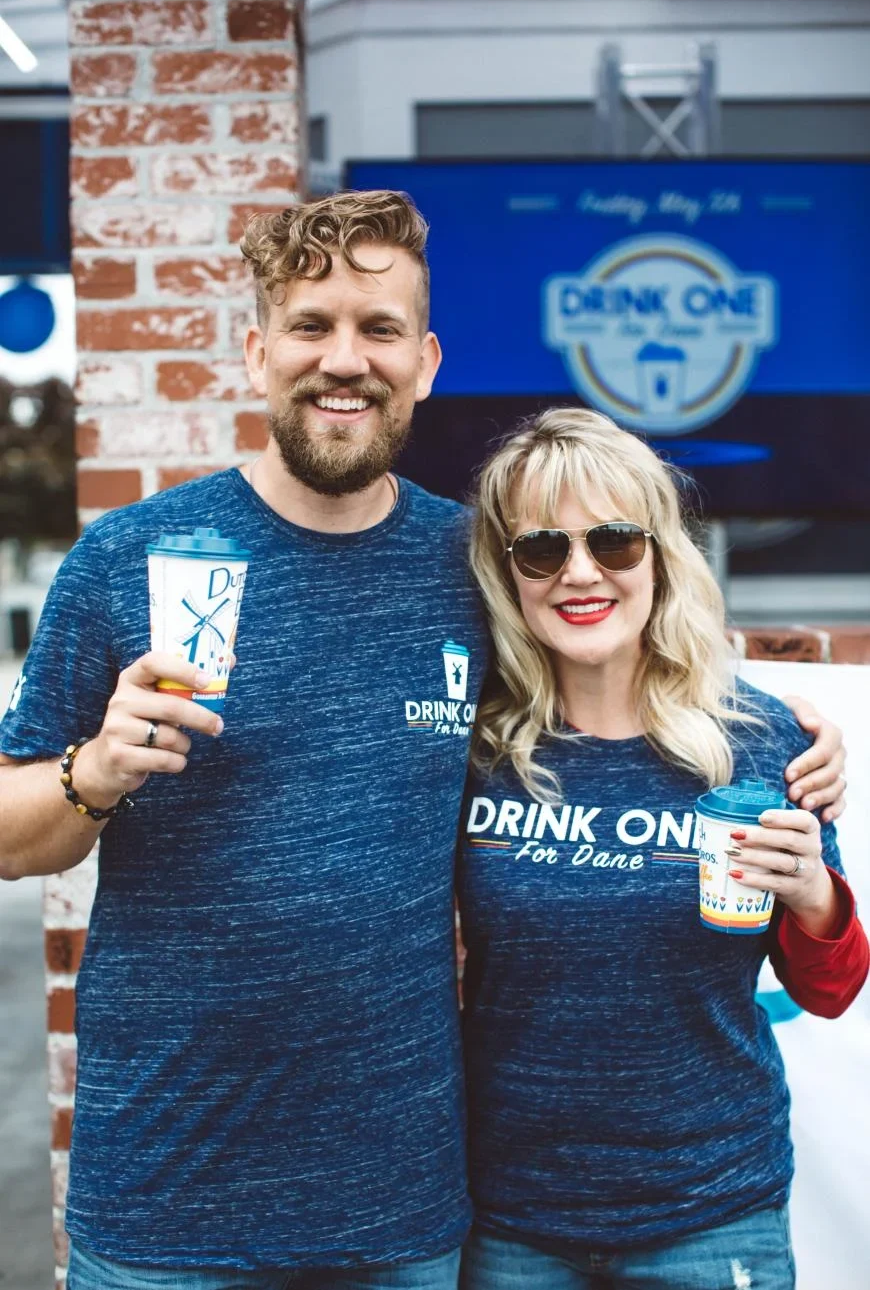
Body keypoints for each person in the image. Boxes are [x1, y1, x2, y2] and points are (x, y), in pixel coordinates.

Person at [0, 193, 846, 1288]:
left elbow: (612, 639)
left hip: (400, 1214)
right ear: (259, 351)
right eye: (311, 325)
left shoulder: (476, 567)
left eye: (379, 328)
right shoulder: (127, 559)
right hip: (168, 1200)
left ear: (426, 360)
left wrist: (784, 723)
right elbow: (15, 835)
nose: (342, 359)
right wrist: (93, 772)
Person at [457, 408, 868, 1290]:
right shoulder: (474, 749)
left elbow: (828, 989)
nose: (580, 573)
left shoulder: (758, 741)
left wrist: (812, 896)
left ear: (659, 552)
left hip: (712, 1210)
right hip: (512, 1217)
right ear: (508, 573)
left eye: (613, 541)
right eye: (542, 550)